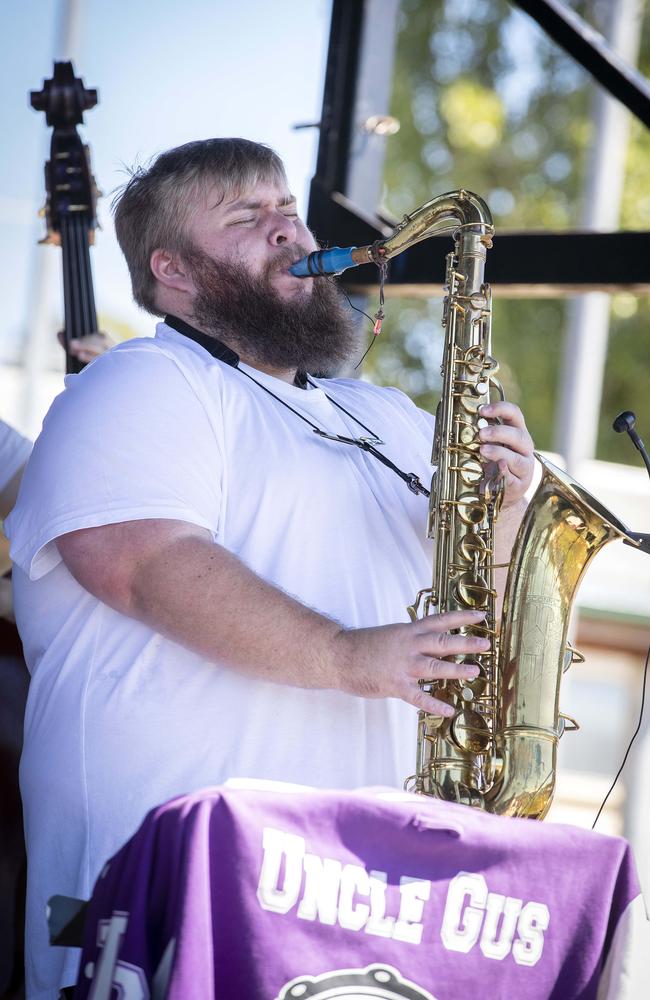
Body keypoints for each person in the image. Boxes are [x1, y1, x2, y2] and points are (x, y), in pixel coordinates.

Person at [6, 138, 535, 998]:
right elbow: (141, 564)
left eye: (287, 209)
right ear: (170, 270)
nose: (289, 231)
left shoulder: (389, 416)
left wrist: (506, 524)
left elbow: (474, 614)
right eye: (248, 219)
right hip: (165, 908)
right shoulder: (141, 381)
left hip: (364, 909)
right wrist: (350, 657)